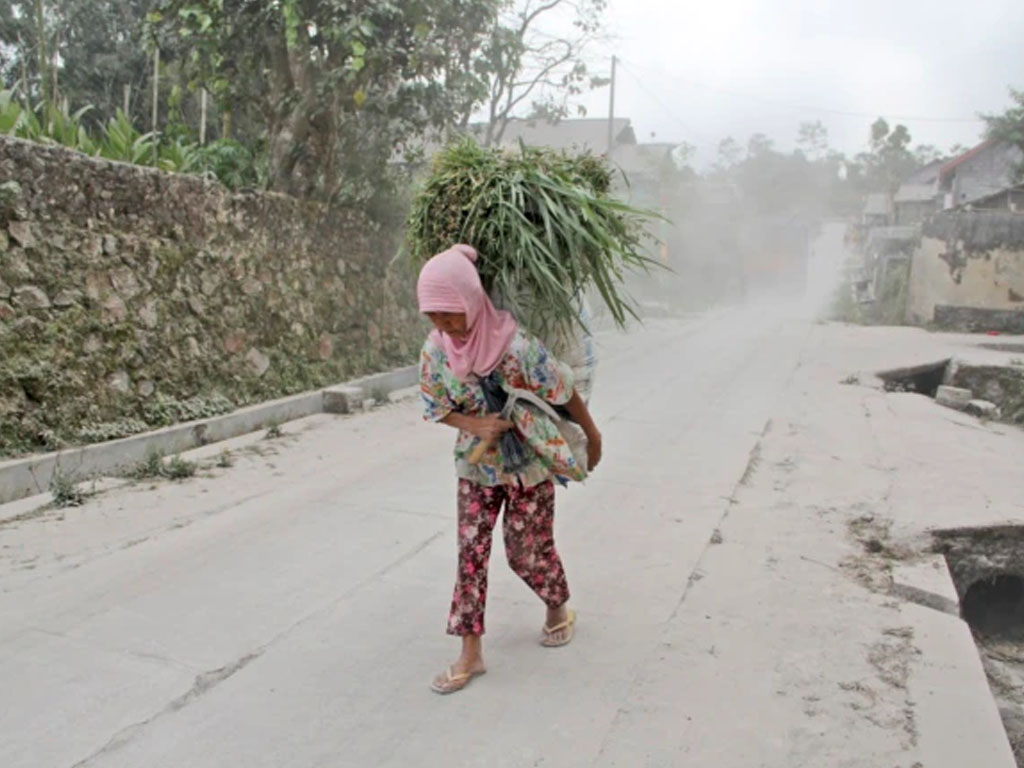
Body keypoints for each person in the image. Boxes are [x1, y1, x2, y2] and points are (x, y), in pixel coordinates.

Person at [418, 244, 603, 695]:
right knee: (471, 556)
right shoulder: (437, 351)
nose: (445, 326)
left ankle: (557, 605)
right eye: (434, 316)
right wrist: (474, 423)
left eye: (451, 314)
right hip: (476, 467)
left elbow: (563, 391)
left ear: (472, 298)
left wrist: (592, 437)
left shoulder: (517, 348)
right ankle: (470, 652)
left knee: (527, 551)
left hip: (529, 465)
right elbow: (435, 405)